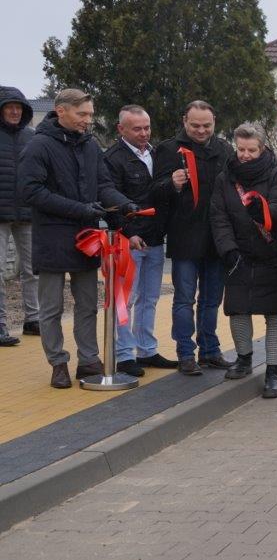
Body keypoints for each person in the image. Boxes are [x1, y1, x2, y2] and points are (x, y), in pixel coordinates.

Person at [16, 89, 132, 388]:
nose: (88, 120)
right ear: (61, 111)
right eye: (82, 114)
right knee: (52, 307)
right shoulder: (38, 145)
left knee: (88, 304)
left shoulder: (90, 146)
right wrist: (81, 210)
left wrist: (124, 204)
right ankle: (57, 362)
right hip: (52, 238)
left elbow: (104, 185)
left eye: (90, 114)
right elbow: (31, 192)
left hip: (86, 237)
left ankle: (89, 359)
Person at [152, 101, 233, 375]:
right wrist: (171, 184)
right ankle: (185, 353)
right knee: (184, 299)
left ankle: (210, 350)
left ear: (214, 123)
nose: (201, 130)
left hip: (217, 237)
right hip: (184, 236)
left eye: (207, 125)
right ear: (185, 121)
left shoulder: (224, 149)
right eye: (195, 125)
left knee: (212, 300)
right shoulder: (167, 149)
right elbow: (153, 191)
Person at [210, 123, 277, 399]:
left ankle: (273, 373)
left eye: (251, 150)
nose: (244, 155)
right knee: (238, 310)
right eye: (240, 149)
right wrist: (228, 250)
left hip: (272, 256)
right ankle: (244, 359)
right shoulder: (225, 178)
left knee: (276, 315)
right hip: (238, 256)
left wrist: (264, 210)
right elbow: (218, 217)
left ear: (263, 148)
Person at [104, 105, 177, 376]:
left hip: (155, 239)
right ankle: (124, 354)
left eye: (147, 127)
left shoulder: (157, 154)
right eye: (137, 128)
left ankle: (147, 349)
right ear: (120, 129)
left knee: (150, 297)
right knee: (125, 299)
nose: (144, 133)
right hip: (128, 241)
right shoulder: (112, 159)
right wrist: (126, 231)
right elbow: (108, 197)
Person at [0, 86, 39, 344]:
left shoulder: (32, 137)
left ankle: (33, 319)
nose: (15, 111)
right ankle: (0, 325)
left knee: (33, 270)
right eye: (10, 107)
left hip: (27, 213)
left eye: (19, 107)